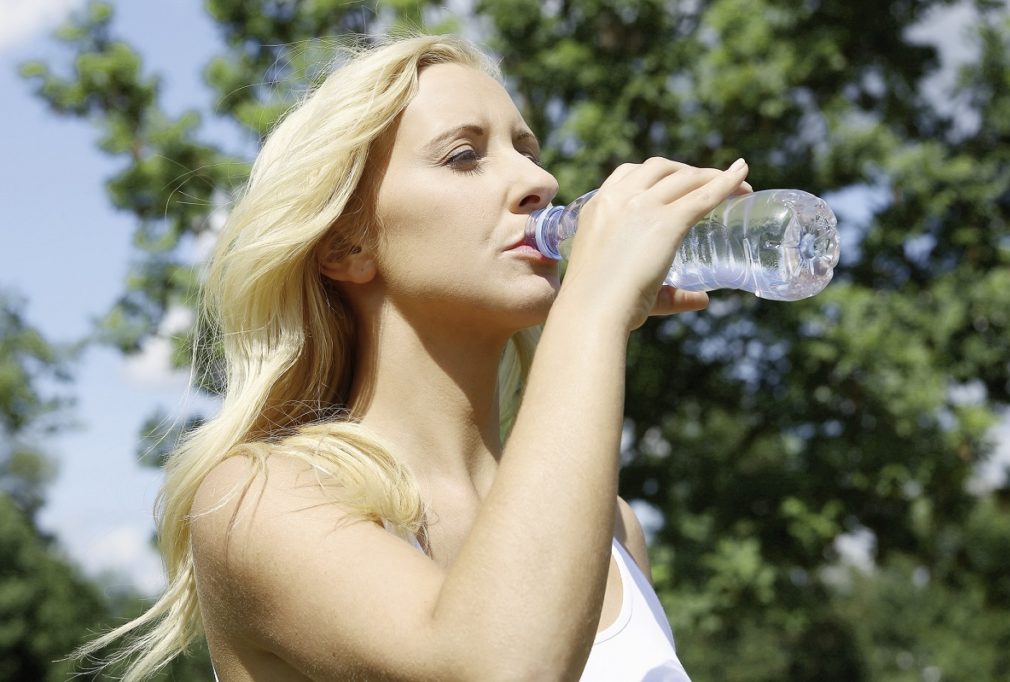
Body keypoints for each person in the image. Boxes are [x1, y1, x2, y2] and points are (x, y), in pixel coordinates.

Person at [79, 33, 750, 681]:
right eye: (464, 156)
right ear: (348, 245)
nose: (539, 180)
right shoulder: (256, 501)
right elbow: (501, 667)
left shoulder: (609, 526)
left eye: (527, 149)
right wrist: (593, 311)